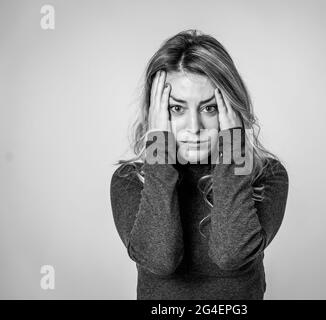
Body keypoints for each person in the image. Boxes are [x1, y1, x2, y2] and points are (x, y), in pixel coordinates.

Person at [110, 29, 289, 300]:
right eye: (177, 108)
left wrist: (233, 151)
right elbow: (160, 260)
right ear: (156, 112)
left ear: (231, 108)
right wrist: (159, 151)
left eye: (209, 108)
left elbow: (231, 254)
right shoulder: (129, 180)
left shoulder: (267, 176)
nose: (194, 127)